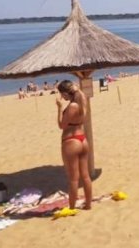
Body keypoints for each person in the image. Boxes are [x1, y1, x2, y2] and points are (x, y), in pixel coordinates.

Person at [56, 80, 92, 210]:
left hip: (71, 140)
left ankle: (72, 207)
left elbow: (62, 125)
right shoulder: (82, 102)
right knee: (86, 175)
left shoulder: (72, 106)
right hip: (82, 139)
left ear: (65, 93)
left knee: (73, 178)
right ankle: (88, 204)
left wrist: (60, 108)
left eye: (62, 94)